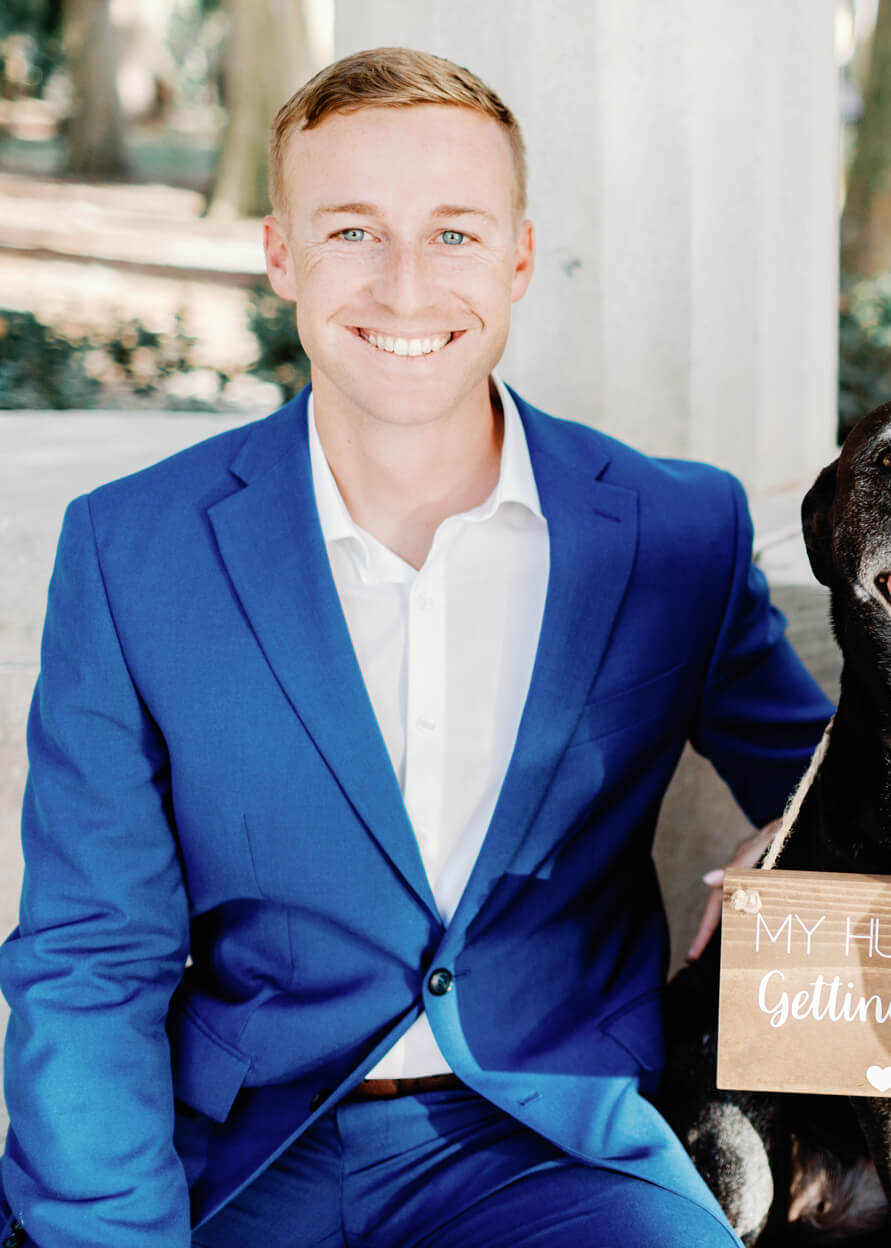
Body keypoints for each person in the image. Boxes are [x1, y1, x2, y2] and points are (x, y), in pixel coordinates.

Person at [0, 47, 831, 1247]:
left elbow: (853, 794)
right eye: (352, 232)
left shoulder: (672, 533)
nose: (403, 285)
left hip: (554, 1151)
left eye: (453, 234)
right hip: (238, 1153)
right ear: (280, 252)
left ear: (518, 258)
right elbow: (91, 956)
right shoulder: (135, 554)